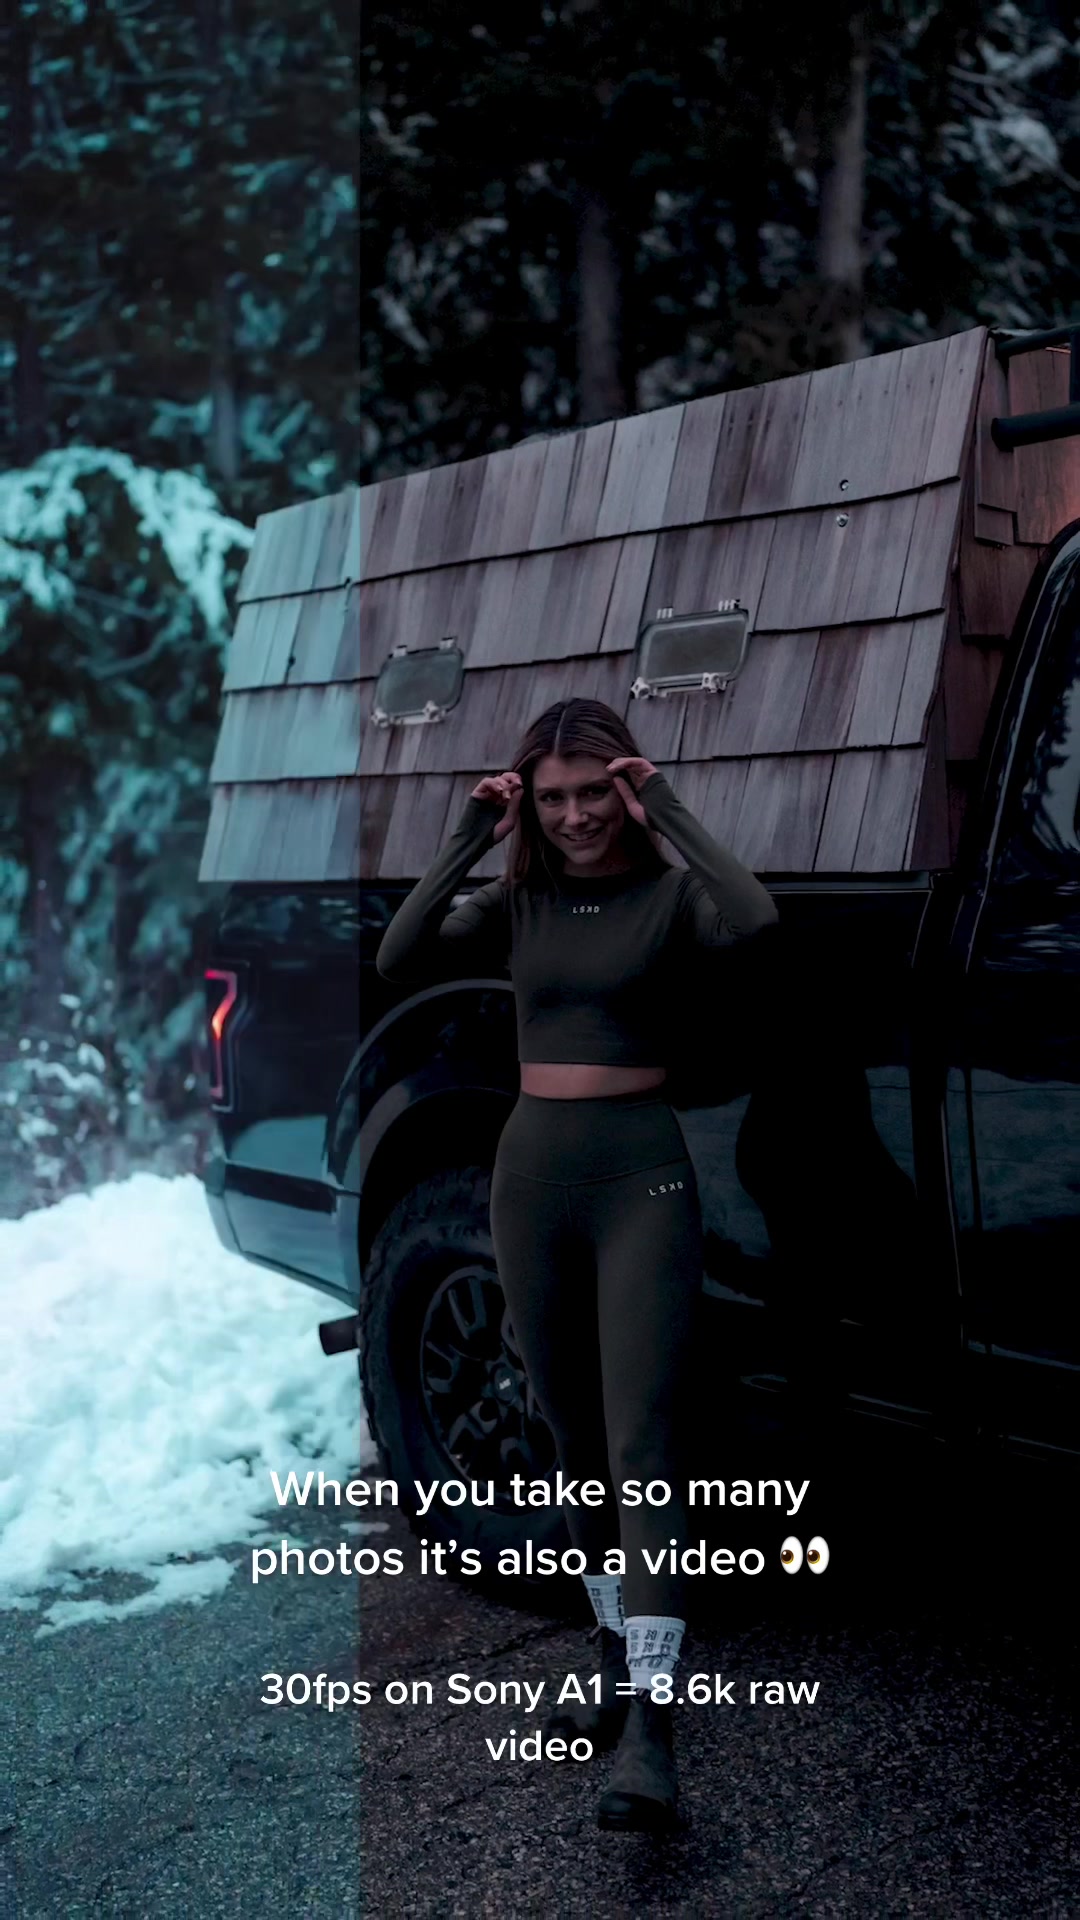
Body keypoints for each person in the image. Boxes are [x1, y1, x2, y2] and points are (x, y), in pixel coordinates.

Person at [376, 697, 778, 1833]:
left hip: (638, 1177)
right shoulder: (519, 903)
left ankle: (653, 1724)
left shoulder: (670, 898)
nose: (575, 816)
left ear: (624, 789)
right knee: (573, 1441)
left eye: (594, 792)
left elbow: (756, 923)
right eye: (552, 798)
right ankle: (611, 1662)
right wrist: (472, 833)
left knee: (643, 1445)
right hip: (529, 1180)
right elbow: (399, 955)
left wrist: (668, 807)